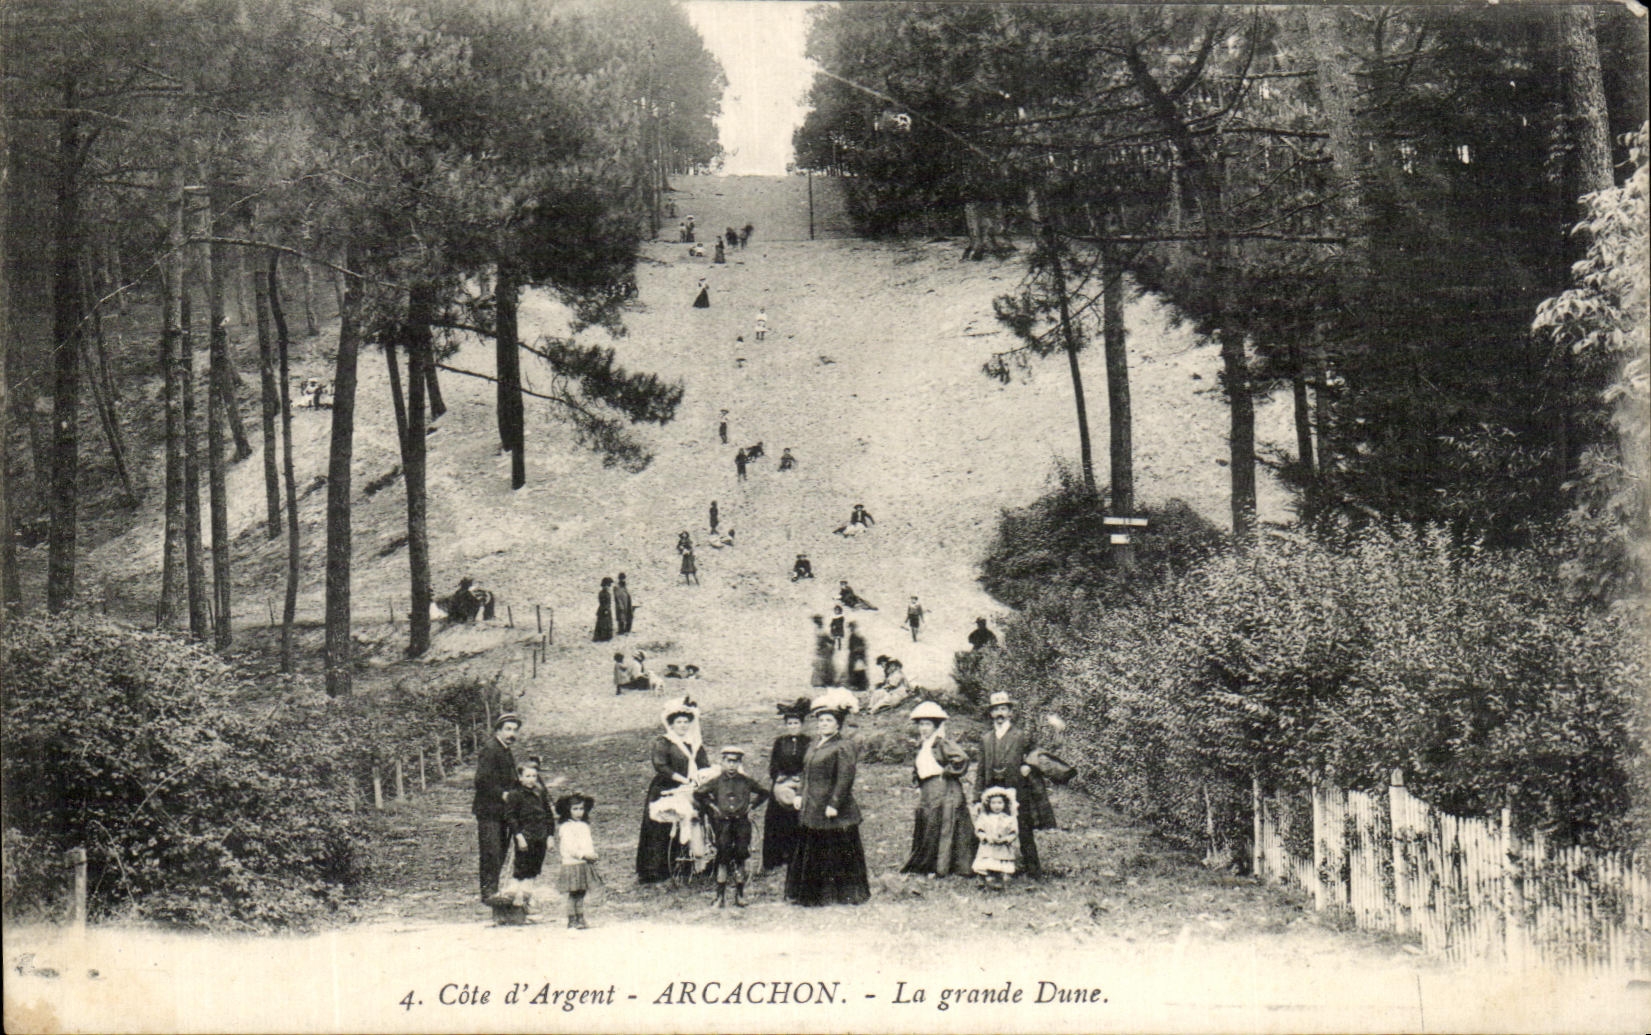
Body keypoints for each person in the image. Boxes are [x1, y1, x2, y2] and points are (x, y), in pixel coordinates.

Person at [786, 688, 870, 906]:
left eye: (828, 720)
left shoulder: (843, 745)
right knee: (812, 849)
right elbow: (805, 771)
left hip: (832, 809)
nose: (823, 724)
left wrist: (834, 803)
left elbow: (845, 777)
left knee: (835, 849)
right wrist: (798, 794)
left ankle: (840, 894)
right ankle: (812, 894)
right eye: (821, 720)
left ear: (837, 724)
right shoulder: (814, 744)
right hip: (811, 806)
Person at [975, 691, 1055, 878]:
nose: (999, 714)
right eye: (996, 710)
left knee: (1023, 827)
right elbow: (980, 769)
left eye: (1003, 709)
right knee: (992, 827)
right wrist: (977, 796)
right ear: (991, 714)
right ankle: (992, 867)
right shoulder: (986, 738)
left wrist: (1028, 766)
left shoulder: (1021, 735)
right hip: (993, 789)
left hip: (1017, 787)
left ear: (1010, 712)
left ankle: (1033, 870)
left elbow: (1037, 752)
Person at [636, 697, 712, 884]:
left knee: (692, 820)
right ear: (671, 724)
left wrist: (700, 778)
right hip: (666, 786)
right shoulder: (665, 742)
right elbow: (661, 766)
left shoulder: (694, 743)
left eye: (686, 722)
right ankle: (657, 869)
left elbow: (703, 765)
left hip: (689, 788)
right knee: (662, 825)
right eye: (679, 722)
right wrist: (682, 779)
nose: (683, 726)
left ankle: (689, 864)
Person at [901, 702, 977, 879]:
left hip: (944, 789)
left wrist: (946, 771)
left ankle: (945, 866)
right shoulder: (924, 745)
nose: (923, 728)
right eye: (921, 724)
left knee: (943, 824)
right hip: (928, 789)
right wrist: (918, 781)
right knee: (929, 824)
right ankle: (929, 863)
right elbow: (919, 767)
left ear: (935, 726)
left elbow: (962, 758)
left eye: (927, 724)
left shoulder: (941, 743)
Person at [696, 746, 770, 907]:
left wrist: (751, 806)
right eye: (728, 761)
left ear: (739, 763)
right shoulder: (716, 781)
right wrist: (713, 807)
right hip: (723, 824)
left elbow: (764, 792)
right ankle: (720, 897)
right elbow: (699, 793)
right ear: (722, 762)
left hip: (742, 823)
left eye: (735, 762)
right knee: (723, 857)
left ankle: (740, 895)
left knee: (741, 856)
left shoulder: (746, 781)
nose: (731, 765)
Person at [473, 713, 521, 917]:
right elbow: (481, 780)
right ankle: (488, 892)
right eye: (508, 729)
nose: (511, 734)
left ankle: (493, 891)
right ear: (498, 730)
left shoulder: (505, 750)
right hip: (489, 810)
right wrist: (502, 794)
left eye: (514, 730)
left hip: (502, 811)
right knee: (491, 852)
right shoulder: (491, 749)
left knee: (499, 851)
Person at [500, 759, 556, 921]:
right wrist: (519, 836)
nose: (531, 779)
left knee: (534, 870)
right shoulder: (515, 795)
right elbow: (510, 817)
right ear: (520, 777)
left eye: (534, 776)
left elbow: (548, 816)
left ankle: (527, 901)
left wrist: (550, 836)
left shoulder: (540, 793)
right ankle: (511, 904)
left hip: (541, 837)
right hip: (525, 837)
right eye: (528, 776)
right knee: (521, 870)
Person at [763, 698, 812, 872]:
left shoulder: (808, 742)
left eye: (796, 723)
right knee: (776, 820)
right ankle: (776, 858)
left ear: (802, 724)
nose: (793, 726)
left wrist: (800, 778)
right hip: (782, 784)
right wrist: (778, 776)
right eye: (790, 723)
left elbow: (810, 764)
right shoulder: (780, 742)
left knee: (797, 819)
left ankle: (796, 856)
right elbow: (773, 764)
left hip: (799, 784)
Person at [555, 793, 598, 929]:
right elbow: (569, 847)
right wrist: (583, 855)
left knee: (581, 892)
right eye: (575, 809)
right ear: (567, 810)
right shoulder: (566, 827)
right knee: (573, 893)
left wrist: (592, 854)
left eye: (581, 808)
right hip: (572, 863)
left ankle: (581, 917)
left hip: (583, 864)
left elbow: (587, 843)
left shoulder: (584, 826)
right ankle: (571, 919)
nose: (579, 812)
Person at [972, 787, 1020, 890]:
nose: (996, 806)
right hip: (989, 847)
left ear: (1005, 804)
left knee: (1003, 865)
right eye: (993, 803)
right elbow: (979, 830)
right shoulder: (984, 817)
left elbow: (1014, 832)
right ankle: (984, 879)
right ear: (988, 804)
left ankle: (1001, 880)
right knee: (986, 863)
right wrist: (985, 837)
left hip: (1003, 847)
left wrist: (1006, 839)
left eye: (999, 803)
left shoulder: (1009, 818)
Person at [809, 615, 836, 688]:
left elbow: (830, 640)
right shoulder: (819, 630)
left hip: (823, 649)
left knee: (823, 665)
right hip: (820, 649)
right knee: (822, 665)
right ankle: (822, 681)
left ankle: (823, 681)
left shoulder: (822, 631)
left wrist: (831, 646)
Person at [846, 621, 869, 693]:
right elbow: (850, 647)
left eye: (852, 627)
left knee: (859, 669)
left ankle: (861, 686)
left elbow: (863, 646)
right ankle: (855, 685)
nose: (851, 629)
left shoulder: (858, 636)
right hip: (854, 655)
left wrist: (858, 651)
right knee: (853, 669)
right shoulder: (851, 636)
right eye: (850, 628)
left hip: (858, 656)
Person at [592, 577, 615, 642]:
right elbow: (604, 602)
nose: (608, 587)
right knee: (605, 623)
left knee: (602, 623)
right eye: (607, 585)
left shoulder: (602, 593)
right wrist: (606, 609)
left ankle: (601, 636)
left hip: (603, 610)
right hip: (605, 610)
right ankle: (604, 636)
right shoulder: (605, 594)